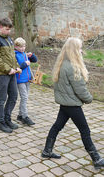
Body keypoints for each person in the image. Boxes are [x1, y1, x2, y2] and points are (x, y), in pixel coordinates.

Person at [41, 37, 104, 169]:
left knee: (57, 126)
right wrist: (89, 99)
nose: (81, 51)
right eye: (80, 48)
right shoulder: (72, 67)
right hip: (72, 105)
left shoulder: (61, 63)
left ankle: (47, 150)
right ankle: (96, 159)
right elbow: (80, 90)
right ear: (74, 50)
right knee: (85, 130)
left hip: (65, 103)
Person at [0, 17, 22, 133]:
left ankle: (7, 119)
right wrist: (8, 69)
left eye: (10, 30)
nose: (9, 32)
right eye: (7, 29)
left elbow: (12, 56)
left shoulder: (9, 39)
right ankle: (0, 121)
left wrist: (16, 66)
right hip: (1, 74)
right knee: (1, 98)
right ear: (1, 27)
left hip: (12, 73)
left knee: (13, 96)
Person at [14, 37, 37, 126]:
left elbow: (35, 60)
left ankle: (20, 115)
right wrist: (25, 64)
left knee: (25, 97)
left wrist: (31, 55)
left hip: (27, 79)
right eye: (20, 47)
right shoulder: (15, 55)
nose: (22, 48)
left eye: (24, 46)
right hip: (20, 80)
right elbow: (17, 67)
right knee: (24, 97)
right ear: (16, 47)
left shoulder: (24, 54)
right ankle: (25, 116)